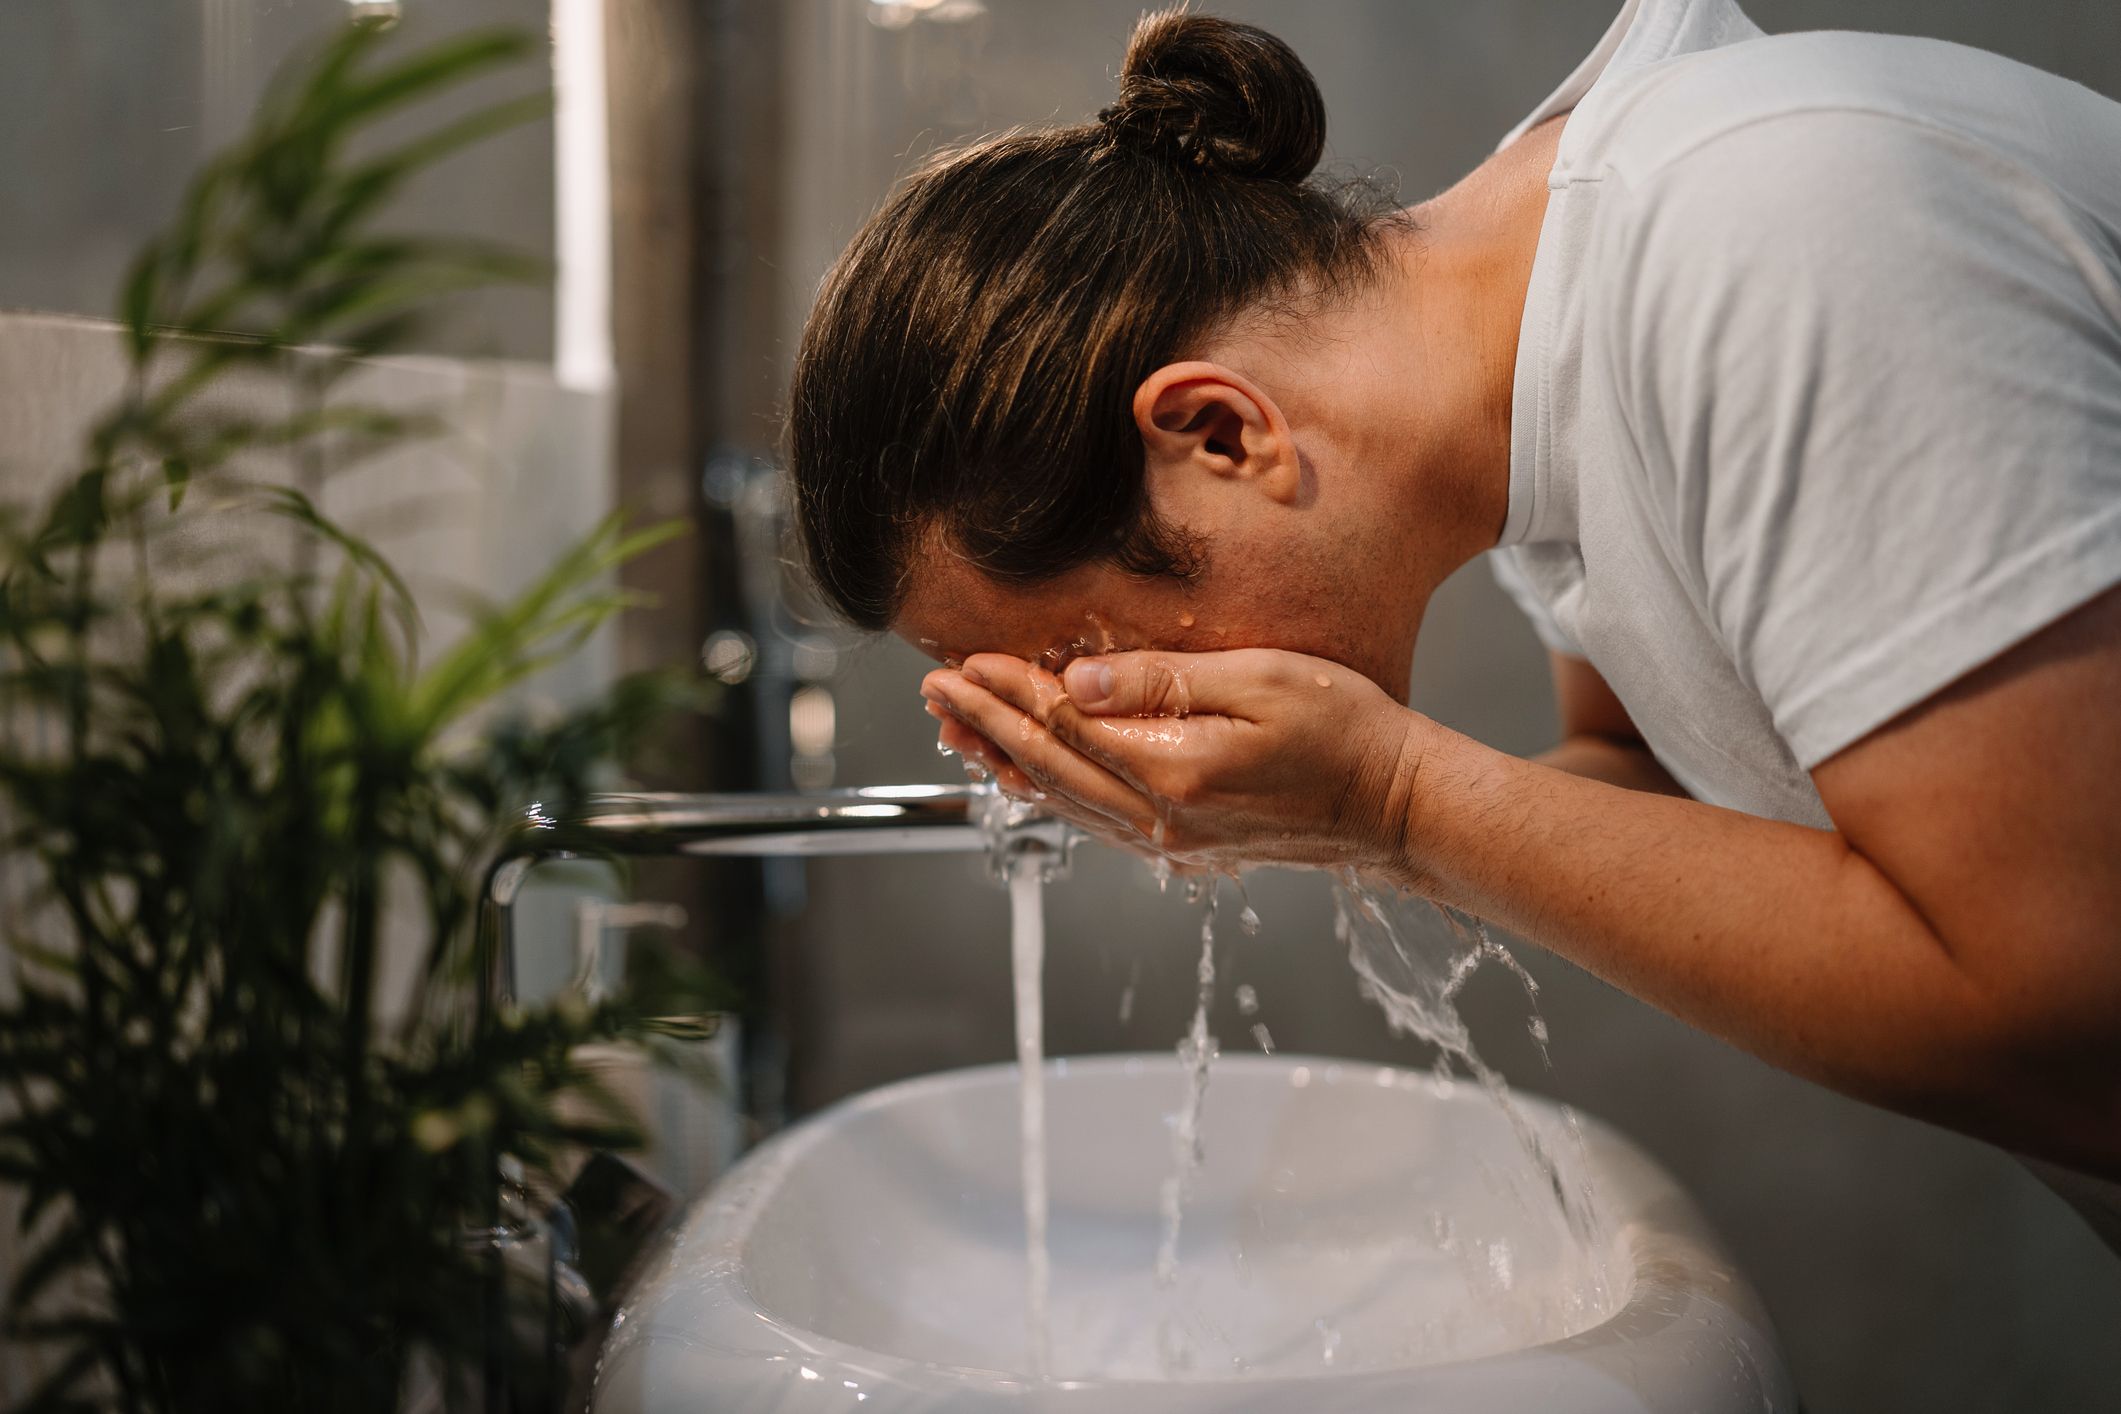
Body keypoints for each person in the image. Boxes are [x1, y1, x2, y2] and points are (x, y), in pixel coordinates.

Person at [785, 0, 2121, 1238]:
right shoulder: (1533, 357)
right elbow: (1636, 768)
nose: (1107, 706)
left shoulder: (1765, 242)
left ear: (1216, 430)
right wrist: (1322, 813)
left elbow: (2065, 1016)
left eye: (1083, 656)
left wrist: (1397, 802)